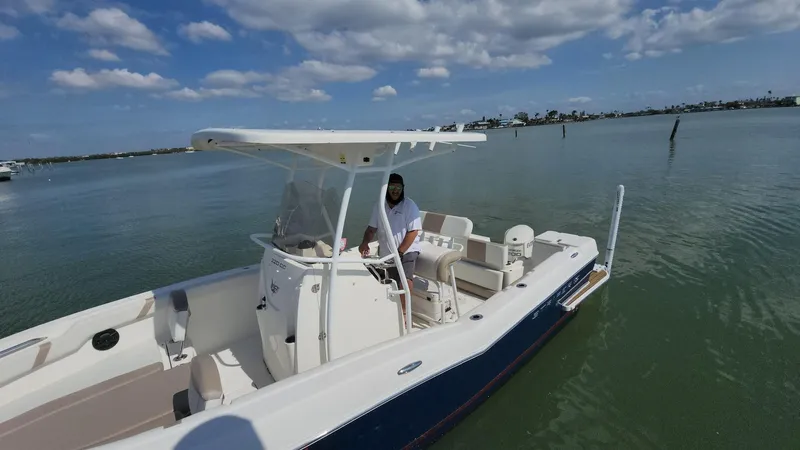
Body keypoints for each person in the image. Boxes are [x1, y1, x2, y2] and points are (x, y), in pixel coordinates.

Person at [358, 173, 422, 321]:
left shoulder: (409, 206)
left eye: (398, 187)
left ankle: (406, 314)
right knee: (389, 282)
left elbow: (413, 232)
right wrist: (364, 242)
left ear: (402, 188)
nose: (395, 190)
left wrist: (400, 251)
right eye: (392, 186)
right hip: (387, 253)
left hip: (407, 251)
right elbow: (371, 229)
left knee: (404, 281)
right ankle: (392, 310)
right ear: (386, 188)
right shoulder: (379, 206)